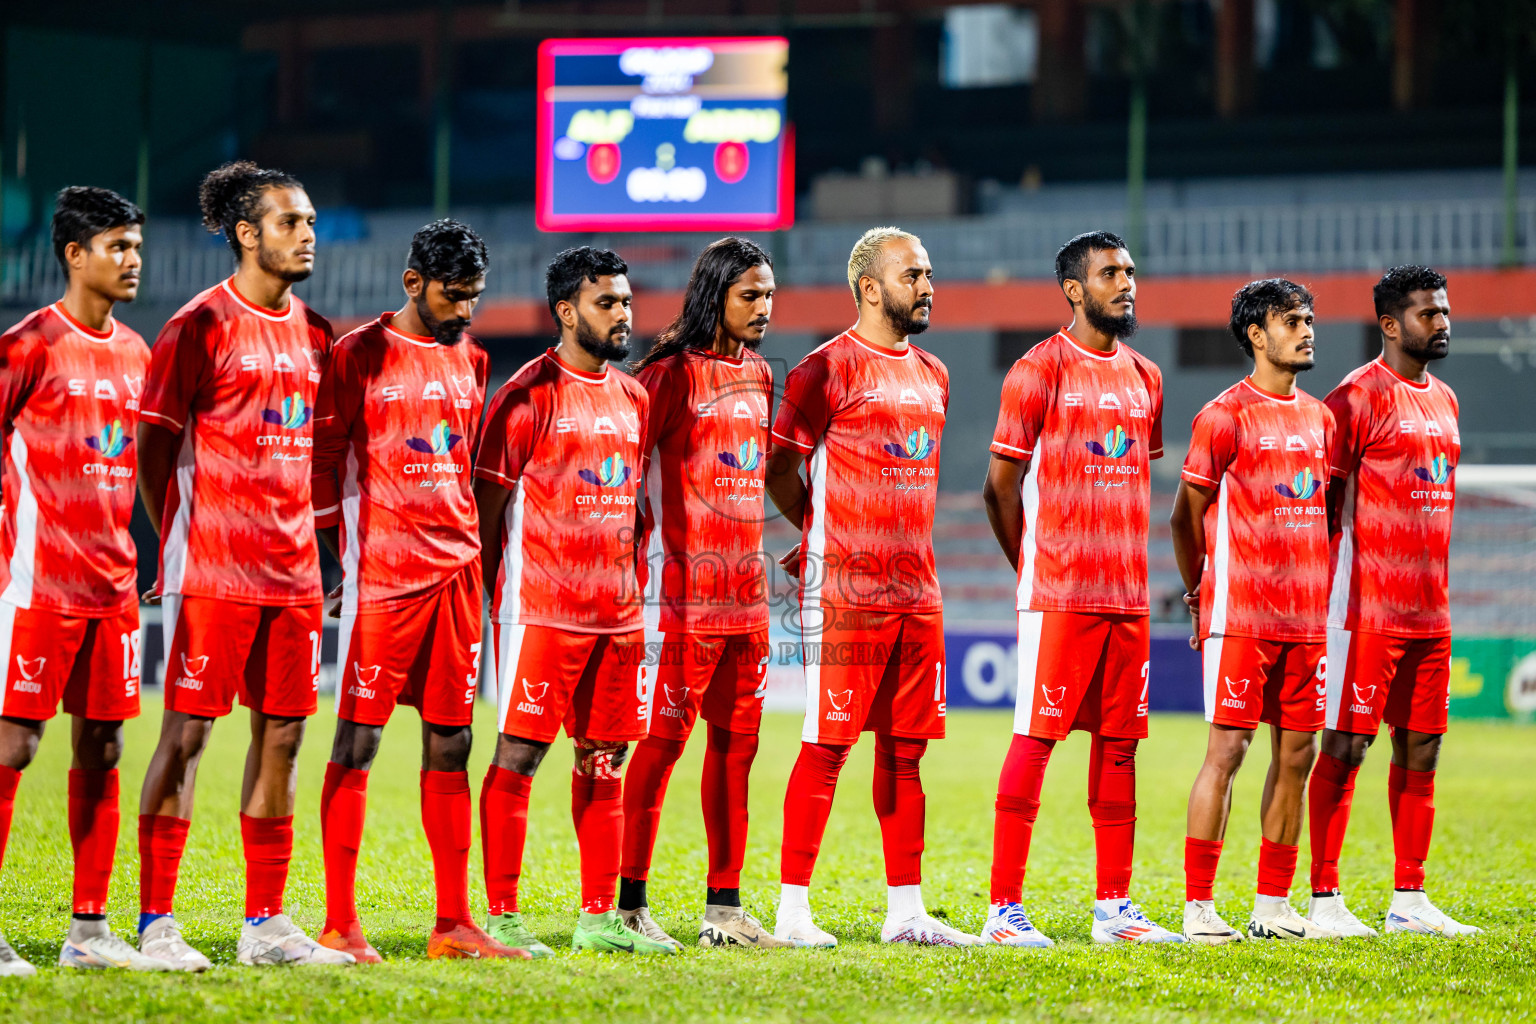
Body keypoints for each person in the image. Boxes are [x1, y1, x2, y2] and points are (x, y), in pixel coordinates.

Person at [134, 161, 352, 968]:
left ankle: (265, 925)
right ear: (246, 233)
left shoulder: (318, 333)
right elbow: (152, 451)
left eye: (312, 224)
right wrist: (182, 543)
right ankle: (157, 923)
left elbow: (317, 456)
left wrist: (323, 554)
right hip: (214, 572)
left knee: (285, 738)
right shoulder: (199, 326)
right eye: (292, 223)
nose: (308, 237)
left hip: (293, 576)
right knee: (187, 735)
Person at [309, 220, 524, 962]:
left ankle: (454, 924)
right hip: (386, 574)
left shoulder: (475, 356)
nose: (466, 311)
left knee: (451, 741)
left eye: (475, 297)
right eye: (453, 296)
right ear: (412, 284)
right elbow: (323, 463)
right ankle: (339, 921)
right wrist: (341, 560)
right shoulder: (358, 353)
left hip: (457, 574)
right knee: (359, 740)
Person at [766, 226, 973, 948]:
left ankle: (906, 913)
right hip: (849, 591)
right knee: (827, 745)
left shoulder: (936, 374)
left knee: (906, 750)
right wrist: (820, 530)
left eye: (928, 272)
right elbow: (777, 470)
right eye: (912, 274)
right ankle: (792, 913)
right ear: (869, 288)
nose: (927, 285)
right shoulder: (824, 369)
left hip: (920, 592)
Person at [980, 231, 1181, 946]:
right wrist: (1033, 565)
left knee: (1121, 746)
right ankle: (1003, 910)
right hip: (1060, 594)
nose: (1126, 283)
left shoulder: (1147, 376)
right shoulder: (1039, 369)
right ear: (1074, 288)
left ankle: (1114, 909)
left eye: (1130, 270)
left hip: (1127, 593)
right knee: (1036, 740)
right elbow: (999, 488)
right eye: (1109, 273)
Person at [474, 246, 674, 955]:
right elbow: (487, 510)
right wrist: (487, 602)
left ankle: (597, 920)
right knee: (519, 758)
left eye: (626, 301)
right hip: (541, 613)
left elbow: (636, 509)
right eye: (607, 303)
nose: (624, 315)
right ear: (567, 312)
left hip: (617, 618)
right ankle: (501, 916)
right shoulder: (527, 394)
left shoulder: (635, 397)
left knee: (605, 761)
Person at [0, 187, 167, 975]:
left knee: (102, 747)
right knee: (13, 745)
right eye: (118, 246)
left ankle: (89, 933)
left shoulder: (138, 355)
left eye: (136, 246)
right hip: (36, 586)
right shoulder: (28, 344)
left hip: (112, 590)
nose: (133, 260)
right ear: (75, 254)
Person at [618, 238, 790, 949]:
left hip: (746, 601)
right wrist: (623, 584)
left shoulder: (757, 374)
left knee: (736, 749)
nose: (764, 309)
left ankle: (724, 911)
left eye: (771, 295)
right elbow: (626, 486)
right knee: (661, 745)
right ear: (715, 292)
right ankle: (627, 905)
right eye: (751, 294)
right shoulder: (666, 376)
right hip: (680, 599)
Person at [1306, 265, 1479, 937]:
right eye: (1428, 313)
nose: (1442, 322)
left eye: (1444, 311)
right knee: (1346, 746)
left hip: (1430, 611)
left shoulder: (1448, 400)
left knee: (1423, 748)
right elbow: (1323, 504)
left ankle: (1410, 899)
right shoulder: (1353, 399)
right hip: (1364, 609)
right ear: (1389, 324)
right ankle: (1324, 899)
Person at [1170, 280, 1339, 943]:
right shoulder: (1223, 417)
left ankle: (1272, 903)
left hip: (1306, 619)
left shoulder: (1322, 419)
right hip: (1242, 615)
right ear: (1255, 335)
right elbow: (1185, 515)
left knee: (1298, 753)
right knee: (1229, 751)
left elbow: (1322, 514)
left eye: (1310, 320)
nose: (1306, 331)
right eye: (1292, 321)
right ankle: (1199, 907)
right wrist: (1197, 590)